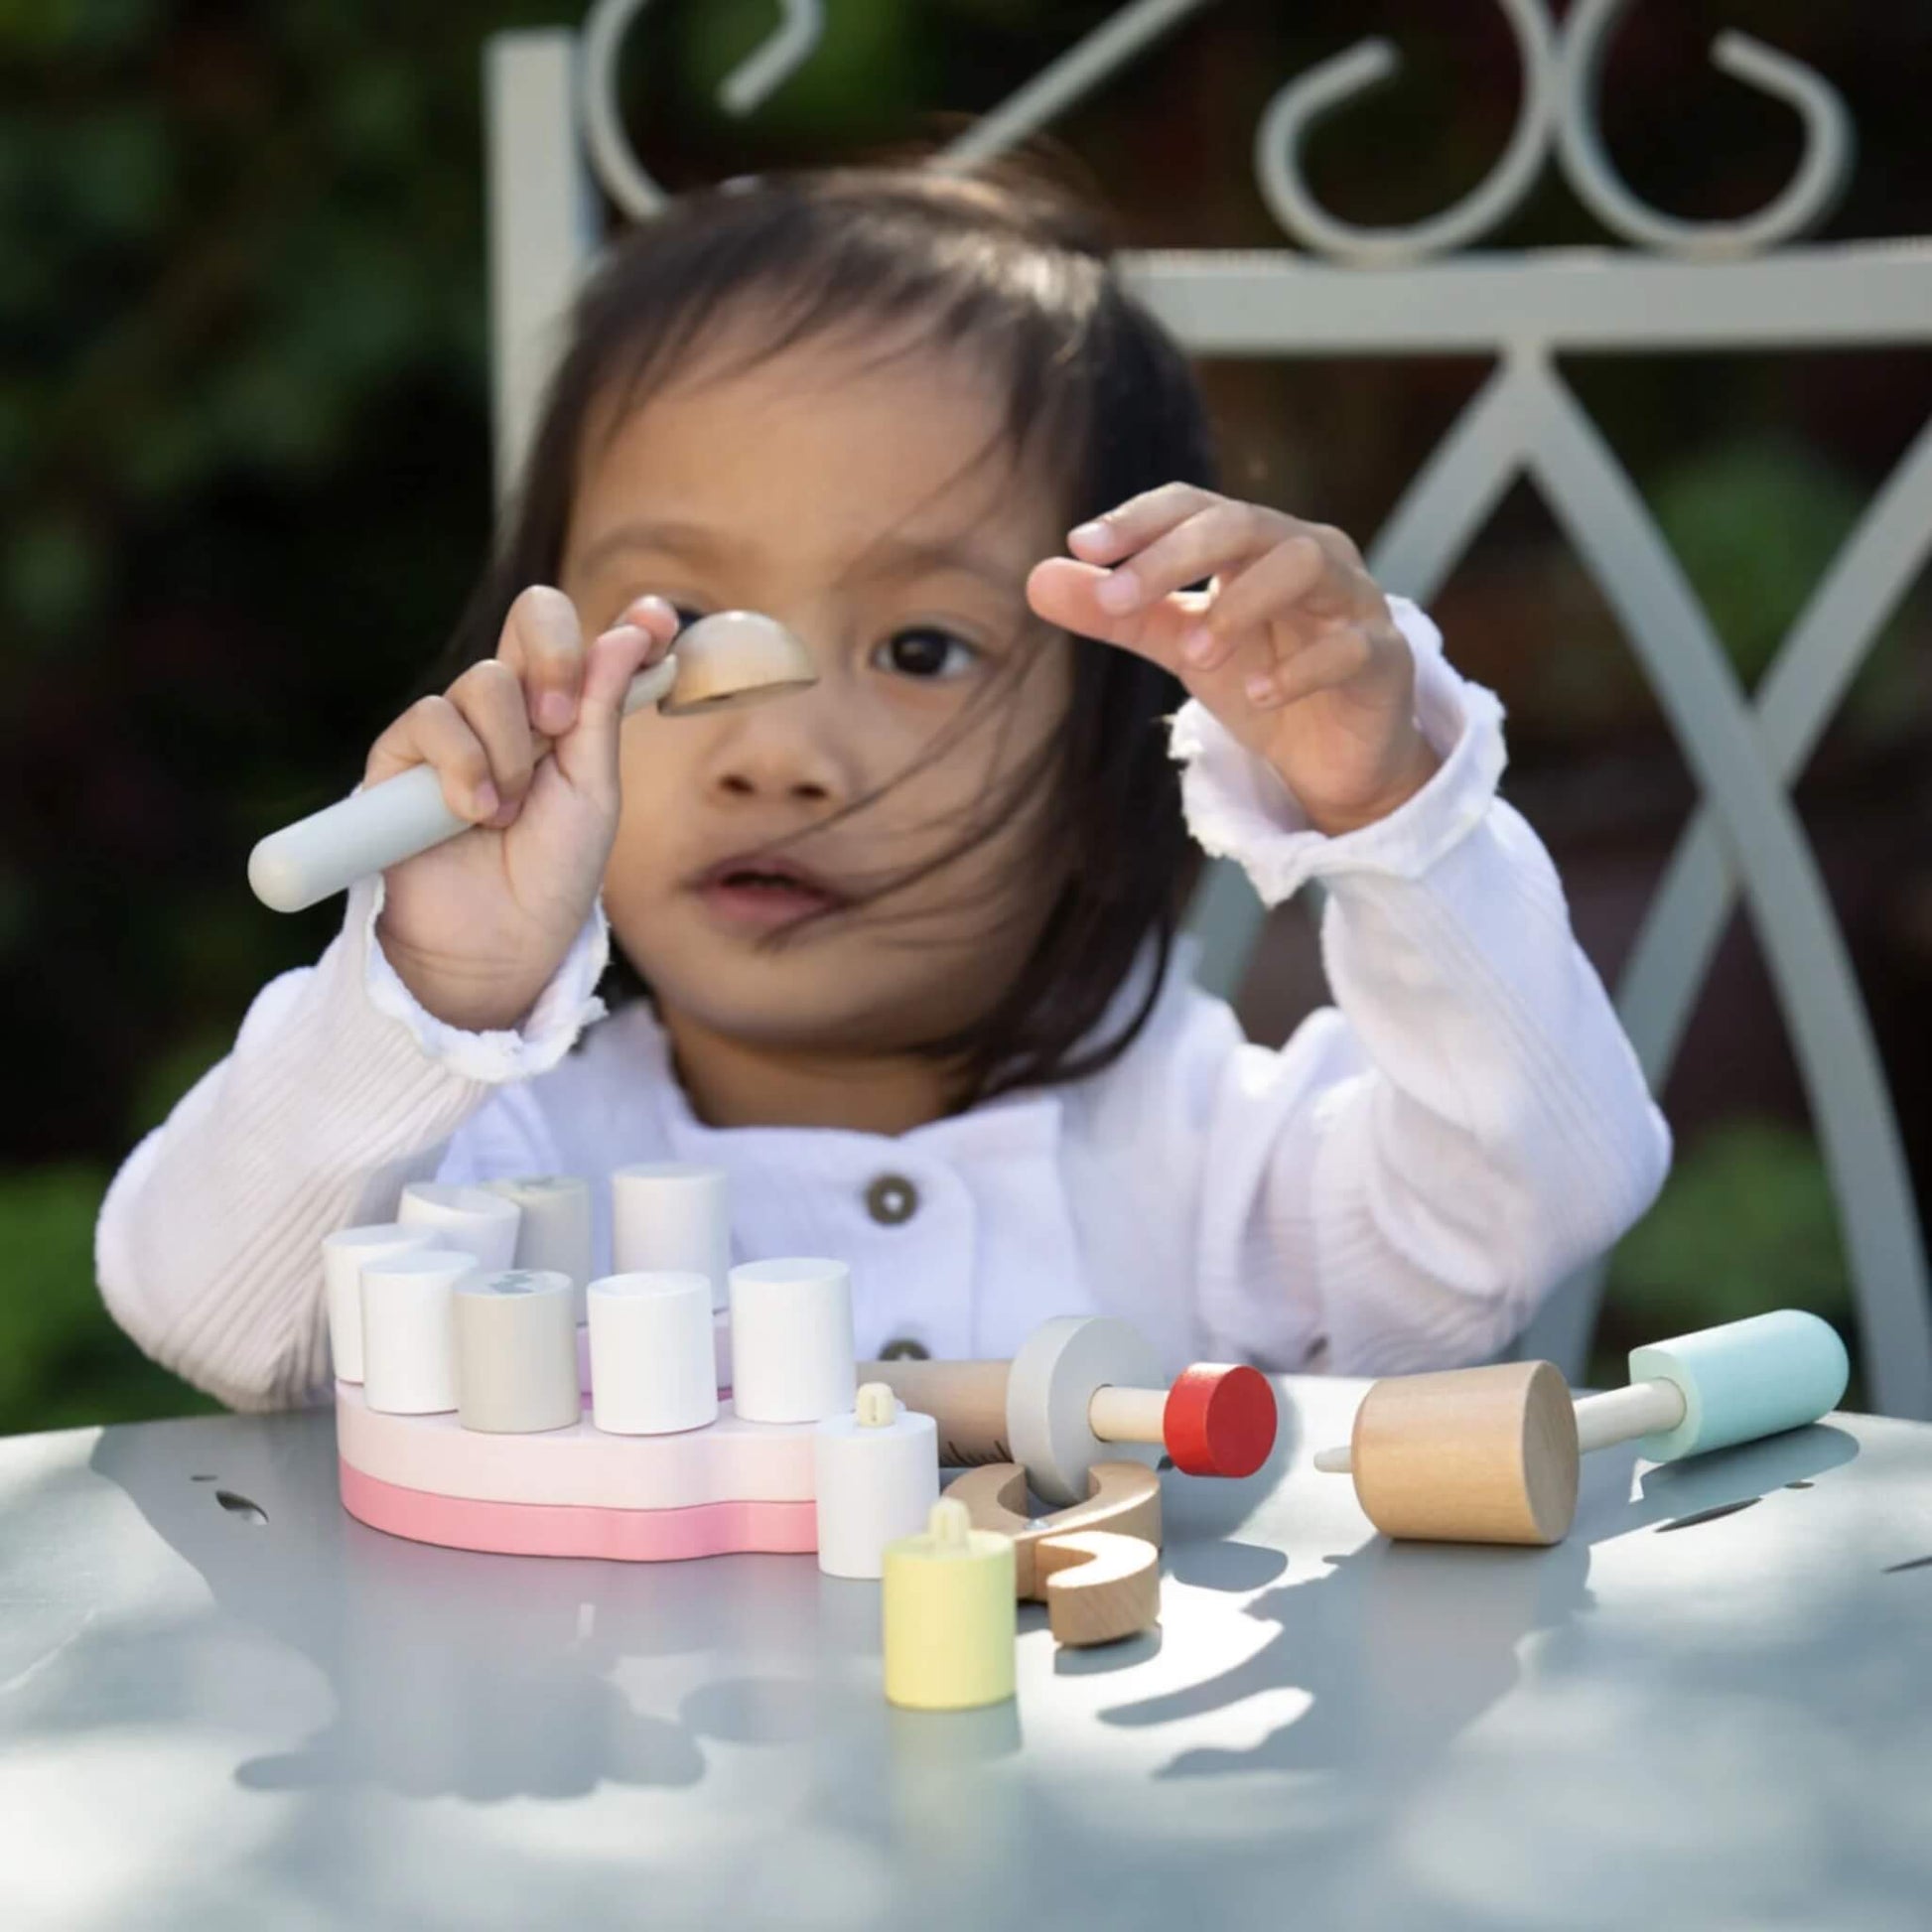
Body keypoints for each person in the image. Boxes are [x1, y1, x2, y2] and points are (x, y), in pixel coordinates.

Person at [96, 165, 1669, 1412]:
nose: (775, 748)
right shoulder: (502, 1165)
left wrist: (1387, 814)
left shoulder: (1217, 1162)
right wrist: (430, 986)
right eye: (685, 636)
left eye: (922, 645)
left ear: (1131, 719)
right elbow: (211, 1314)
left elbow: (1541, 1190)